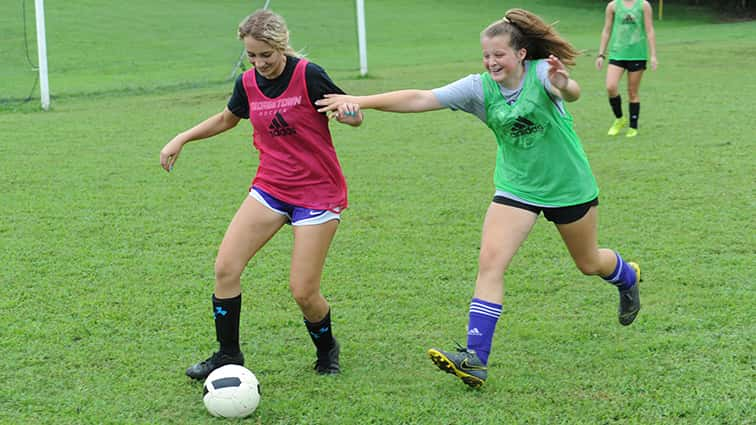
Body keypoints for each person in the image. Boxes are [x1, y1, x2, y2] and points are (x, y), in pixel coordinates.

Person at [316, 8, 641, 389]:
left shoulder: (541, 73)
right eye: (486, 56)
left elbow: (571, 92)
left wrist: (565, 82)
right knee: (490, 263)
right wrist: (361, 99)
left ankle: (626, 275)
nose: (491, 62)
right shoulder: (479, 87)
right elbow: (420, 97)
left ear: (520, 54)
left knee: (588, 263)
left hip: (568, 186)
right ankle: (475, 359)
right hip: (516, 187)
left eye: (499, 55)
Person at [159, 9, 363, 380]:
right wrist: (182, 137)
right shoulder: (248, 83)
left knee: (303, 290)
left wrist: (349, 114)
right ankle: (228, 354)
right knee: (225, 268)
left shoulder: (308, 74)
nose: (259, 63)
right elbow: (227, 119)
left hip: (317, 193)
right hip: (271, 187)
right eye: (251, 55)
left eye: (265, 55)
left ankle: (326, 348)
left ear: (280, 46)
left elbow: (351, 114)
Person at [596, 0, 658, 138]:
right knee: (610, 87)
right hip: (617, 53)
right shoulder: (613, 6)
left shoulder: (643, 5)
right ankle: (619, 118)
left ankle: (633, 127)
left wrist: (653, 55)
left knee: (632, 92)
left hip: (637, 54)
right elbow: (607, 30)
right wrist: (601, 54)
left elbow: (650, 30)